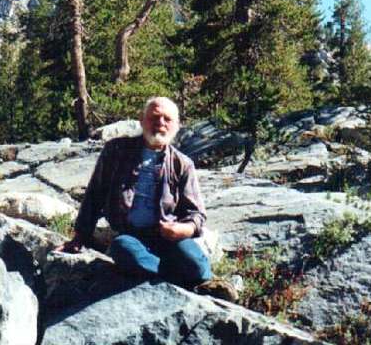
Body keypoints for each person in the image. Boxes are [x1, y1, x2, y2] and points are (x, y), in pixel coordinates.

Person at [56, 97, 237, 301]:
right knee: (122, 249)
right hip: (132, 236)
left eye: (167, 119)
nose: (160, 123)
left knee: (196, 263)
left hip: (170, 238)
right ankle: (183, 281)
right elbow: (94, 196)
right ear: (141, 121)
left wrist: (182, 230)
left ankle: (189, 278)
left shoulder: (182, 164)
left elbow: (196, 214)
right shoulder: (116, 151)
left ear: (176, 126)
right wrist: (80, 237)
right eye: (154, 117)